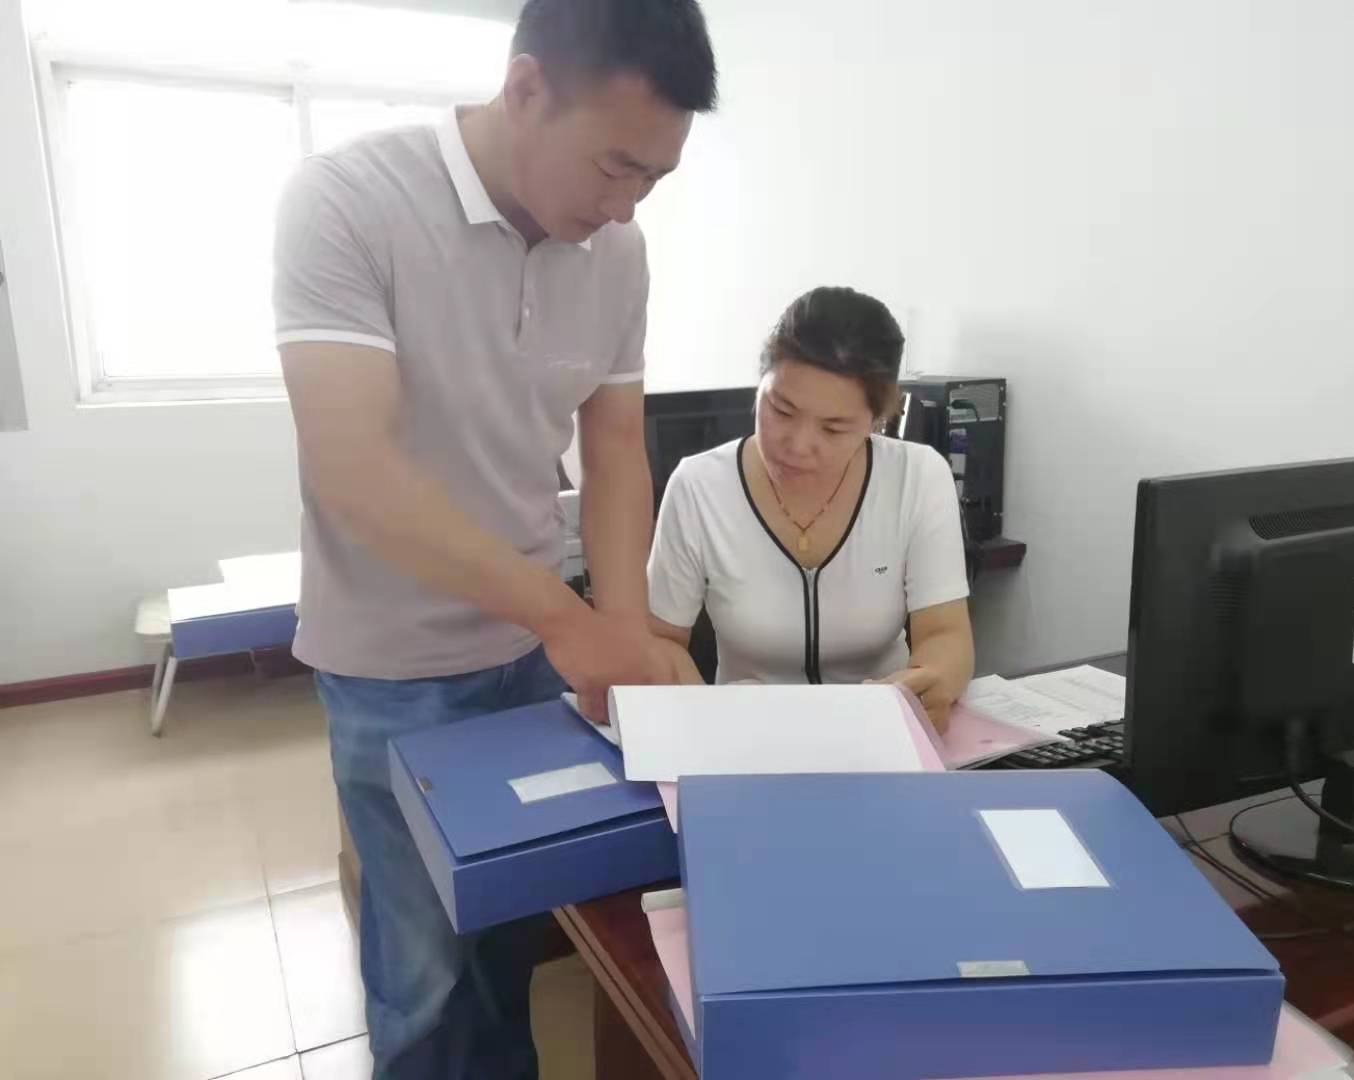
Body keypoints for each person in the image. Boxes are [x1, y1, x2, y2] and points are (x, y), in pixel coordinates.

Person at [271, 1, 716, 1076]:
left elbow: (616, 449)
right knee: (423, 967)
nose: (625, 206)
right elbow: (353, 467)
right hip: (392, 666)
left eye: (654, 179)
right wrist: (572, 621)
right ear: (525, 90)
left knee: (512, 930)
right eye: (614, 166)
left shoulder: (618, 252)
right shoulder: (348, 202)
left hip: (530, 656)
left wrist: (618, 633)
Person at [647, 287, 976, 728]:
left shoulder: (917, 477)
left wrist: (928, 683)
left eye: (834, 428)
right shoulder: (698, 486)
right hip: (746, 734)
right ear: (759, 385)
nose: (799, 446)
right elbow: (662, 640)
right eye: (781, 411)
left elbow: (945, 633)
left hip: (879, 732)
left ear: (877, 421)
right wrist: (707, 718)